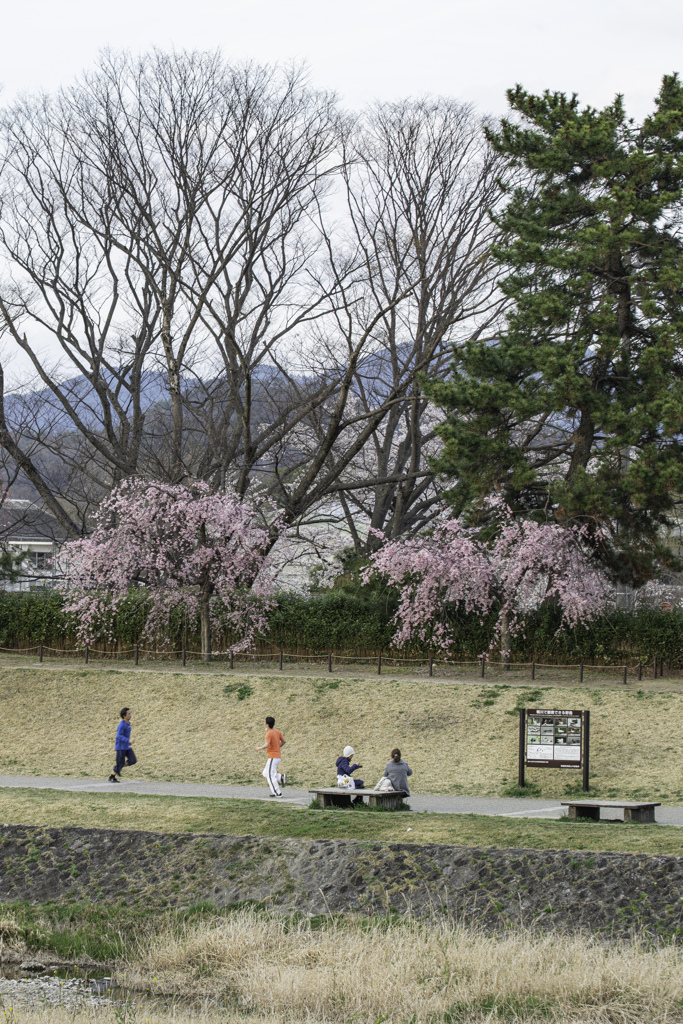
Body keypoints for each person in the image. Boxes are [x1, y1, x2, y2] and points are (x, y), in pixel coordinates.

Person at [256, 716, 287, 797]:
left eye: (264, 722)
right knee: (265, 773)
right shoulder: (277, 731)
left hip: (273, 757)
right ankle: (281, 777)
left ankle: (278, 792)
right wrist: (277, 747)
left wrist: (259, 748)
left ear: (267, 724)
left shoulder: (269, 733)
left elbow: (267, 744)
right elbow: (284, 741)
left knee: (270, 775)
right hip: (277, 756)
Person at [108, 707, 137, 783]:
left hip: (127, 746)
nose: (130, 715)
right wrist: (128, 740)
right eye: (128, 714)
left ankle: (118, 767)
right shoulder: (122, 725)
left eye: (130, 713)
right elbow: (119, 736)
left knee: (133, 760)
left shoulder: (128, 724)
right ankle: (112, 776)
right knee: (120, 762)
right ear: (124, 716)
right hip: (121, 747)